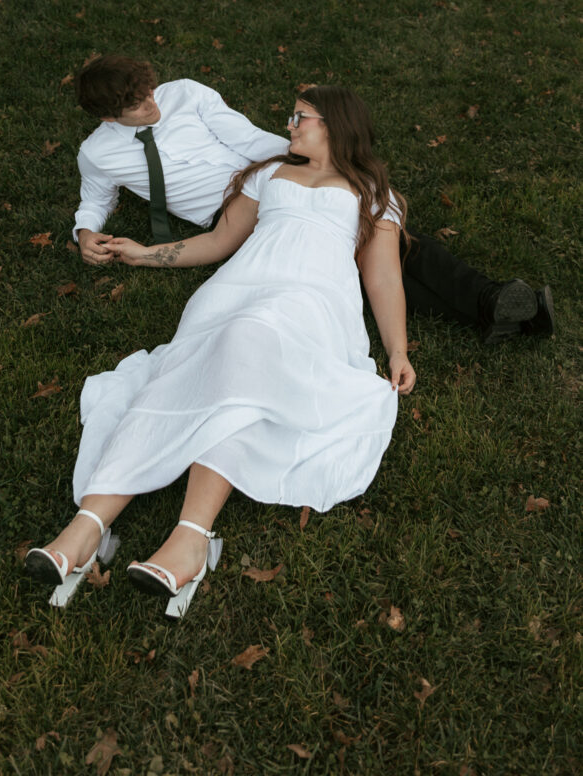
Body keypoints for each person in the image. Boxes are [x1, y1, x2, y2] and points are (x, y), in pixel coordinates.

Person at [25, 86, 415, 617]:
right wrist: (146, 255)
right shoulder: (268, 172)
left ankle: (190, 535)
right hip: (235, 292)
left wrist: (398, 349)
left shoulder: (374, 192)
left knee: (246, 350)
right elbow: (219, 242)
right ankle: (85, 529)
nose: (291, 124)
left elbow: (385, 277)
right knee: (179, 374)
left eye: (301, 117)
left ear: (336, 124)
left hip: (312, 305)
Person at [72, 56, 554, 343]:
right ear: (111, 118)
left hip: (267, 175)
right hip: (230, 216)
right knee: (358, 256)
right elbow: (94, 199)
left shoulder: (186, 95)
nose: (153, 103)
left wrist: (315, 167)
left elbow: (244, 137)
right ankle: (493, 306)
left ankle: (493, 304)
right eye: (138, 105)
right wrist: (86, 232)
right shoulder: (97, 153)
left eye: (150, 91)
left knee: (377, 241)